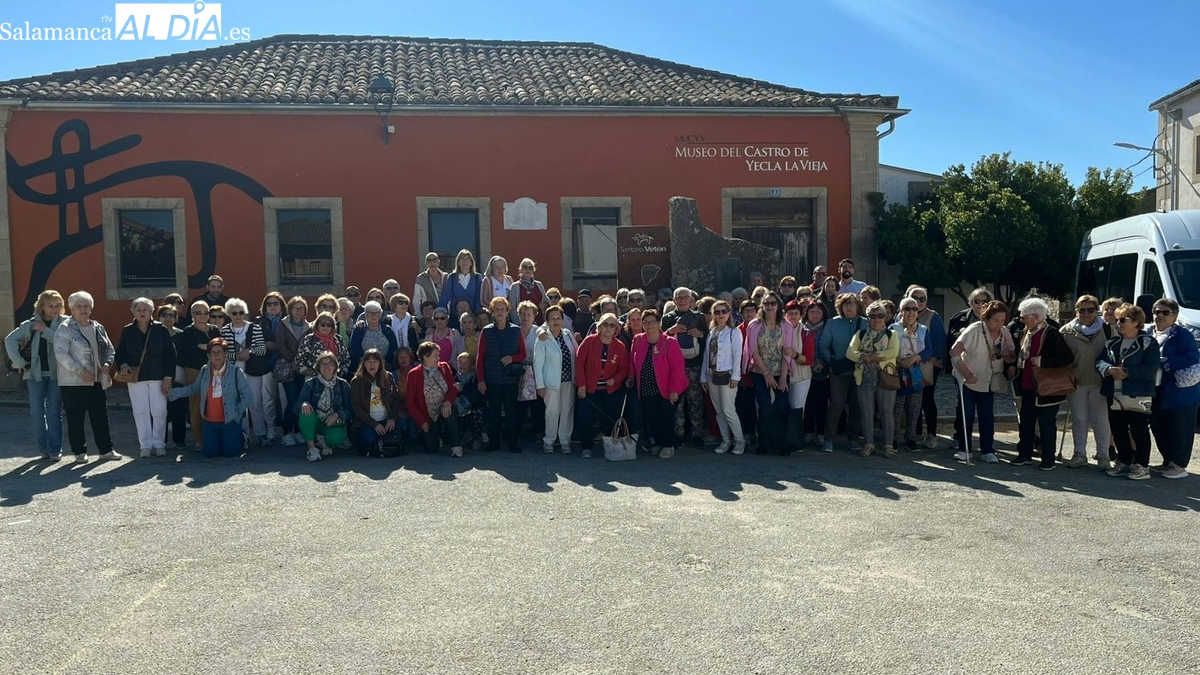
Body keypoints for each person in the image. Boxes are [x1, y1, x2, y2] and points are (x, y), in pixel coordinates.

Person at [54, 291, 120, 462]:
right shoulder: (65, 328)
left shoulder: (98, 327)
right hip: (74, 382)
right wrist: (80, 371)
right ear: (72, 309)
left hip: (97, 381)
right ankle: (79, 452)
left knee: (100, 417)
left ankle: (106, 450)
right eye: (79, 306)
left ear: (91, 308)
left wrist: (107, 364)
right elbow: (61, 355)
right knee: (75, 419)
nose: (83, 309)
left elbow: (109, 349)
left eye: (86, 306)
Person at [1097, 304, 1161, 480]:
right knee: (1118, 429)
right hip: (1114, 394)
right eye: (1117, 320)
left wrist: (1127, 373)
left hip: (1138, 394)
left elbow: (1151, 367)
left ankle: (1142, 465)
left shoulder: (1148, 342)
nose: (1118, 323)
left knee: (1139, 430)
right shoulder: (1112, 342)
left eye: (1122, 319)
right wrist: (1109, 369)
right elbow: (1099, 362)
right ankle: (1123, 461)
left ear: (1136, 322)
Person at [1011, 297, 1074, 469]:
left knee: (1046, 424)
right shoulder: (1026, 332)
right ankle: (1025, 455)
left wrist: (1044, 361)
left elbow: (1067, 358)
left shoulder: (1052, 333)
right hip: (1027, 386)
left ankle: (1048, 459)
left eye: (1024, 316)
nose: (1021, 319)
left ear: (1037, 317)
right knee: (1026, 422)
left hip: (1046, 390)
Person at [949, 300, 1015, 463]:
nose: (999, 324)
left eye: (1002, 320)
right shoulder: (974, 329)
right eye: (996, 320)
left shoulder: (1004, 332)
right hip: (967, 380)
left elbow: (1012, 355)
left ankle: (987, 450)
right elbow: (954, 352)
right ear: (986, 318)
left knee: (987, 416)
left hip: (988, 381)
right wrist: (967, 374)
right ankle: (964, 449)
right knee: (967, 415)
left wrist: (1007, 355)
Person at [5, 290, 66, 460]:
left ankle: (55, 449)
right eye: (50, 305)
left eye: (57, 305)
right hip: (34, 374)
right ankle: (43, 447)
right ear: (42, 307)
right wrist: (20, 363)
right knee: (36, 412)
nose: (54, 309)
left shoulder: (66, 323)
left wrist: (45, 330)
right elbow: (9, 340)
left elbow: (65, 343)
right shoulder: (30, 324)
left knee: (54, 412)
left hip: (57, 374)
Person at [168, 337, 252, 457]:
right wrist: (172, 393)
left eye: (219, 352)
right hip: (209, 422)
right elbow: (194, 388)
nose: (216, 355)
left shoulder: (236, 372)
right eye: (213, 352)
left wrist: (237, 414)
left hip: (230, 421)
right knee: (210, 453)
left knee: (230, 453)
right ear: (208, 356)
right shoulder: (204, 371)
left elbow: (247, 396)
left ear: (225, 355)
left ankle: (242, 437)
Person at [116, 297, 176, 458]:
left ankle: (159, 444)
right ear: (133, 312)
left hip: (158, 376)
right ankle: (145, 445)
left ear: (151, 312)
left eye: (145, 309)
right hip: (136, 377)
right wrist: (123, 365)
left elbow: (170, 355)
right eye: (139, 309)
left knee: (159, 410)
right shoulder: (128, 330)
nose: (142, 312)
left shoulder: (161, 330)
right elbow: (120, 352)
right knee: (140, 411)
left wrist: (168, 377)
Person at [1060, 294, 1115, 469]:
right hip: (1077, 382)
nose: (1086, 313)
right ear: (1076, 311)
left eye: (1090, 309)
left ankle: (1103, 456)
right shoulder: (1066, 331)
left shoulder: (1108, 330)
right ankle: (1079, 454)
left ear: (1096, 311)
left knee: (1100, 420)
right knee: (1079, 419)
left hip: (1100, 381)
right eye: (1082, 310)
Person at [1148, 298, 1200, 479]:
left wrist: (1166, 362)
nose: (1159, 316)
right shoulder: (1148, 333)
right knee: (1159, 425)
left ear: (1175, 316)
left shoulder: (1182, 335)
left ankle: (1178, 465)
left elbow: (1192, 358)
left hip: (1180, 391)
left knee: (1180, 427)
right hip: (1156, 389)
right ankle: (1168, 461)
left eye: (1165, 312)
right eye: (1156, 311)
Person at [630, 309, 687, 458]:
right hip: (647, 387)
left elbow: (678, 368)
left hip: (667, 387)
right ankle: (658, 443)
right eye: (646, 322)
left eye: (652, 322)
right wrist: (630, 377)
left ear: (659, 323)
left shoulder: (670, 342)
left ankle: (668, 445)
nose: (649, 325)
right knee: (651, 417)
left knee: (666, 416)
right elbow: (632, 361)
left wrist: (674, 390)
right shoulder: (637, 340)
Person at [847, 301, 900, 458]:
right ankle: (869, 444)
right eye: (873, 316)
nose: (876, 319)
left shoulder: (892, 334)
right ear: (867, 317)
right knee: (867, 413)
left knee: (887, 413)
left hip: (885, 378)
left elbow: (893, 352)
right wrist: (865, 357)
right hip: (865, 378)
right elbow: (850, 353)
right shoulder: (861, 334)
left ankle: (889, 445)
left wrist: (869, 357)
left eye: (880, 316)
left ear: (885, 317)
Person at [575, 313, 630, 459]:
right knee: (585, 418)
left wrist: (615, 380)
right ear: (599, 327)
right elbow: (579, 363)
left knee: (609, 418)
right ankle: (587, 447)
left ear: (616, 330)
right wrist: (582, 385)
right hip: (589, 389)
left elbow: (624, 368)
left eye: (612, 325)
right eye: (605, 324)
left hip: (610, 390)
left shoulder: (620, 346)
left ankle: (609, 446)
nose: (608, 328)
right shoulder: (589, 341)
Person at [476, 296, 526, 453]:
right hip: (493, 379)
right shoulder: (486, 331)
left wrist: (512, 358)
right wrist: (481, 380)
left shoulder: (516, 330)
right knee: (494, 413)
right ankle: (494, 443)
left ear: (507, 311)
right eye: (496, 309)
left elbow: (523, 354)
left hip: (511, 378)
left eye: (502, 309)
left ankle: (513, 443)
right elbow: (480, 357)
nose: (499, 312)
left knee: (511, 412)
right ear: (492, 312)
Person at [744, 292, 793, 454]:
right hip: (760, 371)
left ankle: (783, 443)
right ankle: (763, 443)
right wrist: (766, 373)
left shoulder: (786, 326)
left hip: (781, 371)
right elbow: (753, 351)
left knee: (782, 406)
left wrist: (784, 377)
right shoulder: (755, 325)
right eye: (766, 303)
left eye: (773, 303)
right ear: (762, 306)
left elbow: (787, 352)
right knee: (765, 407)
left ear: (778, 305)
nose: (770, 306)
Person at [662, 287, 710, 448]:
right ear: (674, 301)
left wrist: (701, 335)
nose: (682, 300)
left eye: (685, 297)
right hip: (675, 368)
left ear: (691, 301)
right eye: (679, 297)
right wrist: (670, 331)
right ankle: (679, 434)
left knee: (695, 401)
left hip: (694, 366)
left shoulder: (700, 318)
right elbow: (661, 340)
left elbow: (708, 342)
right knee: (678, 402)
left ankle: (697, 433)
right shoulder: (668, 318)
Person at [819, 293, 867, 453]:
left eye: (852, 303)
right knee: (837, 405)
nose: (848, 306)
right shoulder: (833, 323)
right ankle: (828, 438)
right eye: (845, 304)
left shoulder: (865, 323)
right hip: (839, 371)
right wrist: (831, 361)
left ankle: (853, 438)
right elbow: (823, 345)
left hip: (859, 371)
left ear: (857, 305)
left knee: (856, 405)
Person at [221, 298, 271, 448]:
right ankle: (243, 436)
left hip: (253, 369)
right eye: (234, 312)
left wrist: (250, 351)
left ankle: (261, 434)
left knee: (255, 401)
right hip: (234, 371)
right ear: (229, 314)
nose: (238, 315)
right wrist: (236, 356)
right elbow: (222, 354)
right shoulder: (224, 331)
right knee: (238, 403)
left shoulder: (255, 328)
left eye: (241, 312)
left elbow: (263, 349)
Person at [947, 287, 992, 447]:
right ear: (970, 303)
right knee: (963, 406)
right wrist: (962, 334)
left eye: (984, 301)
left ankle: (986, 445)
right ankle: (961, 438)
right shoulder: (960, 317)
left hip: (986, 370)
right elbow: (951, 341)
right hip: (963, 368)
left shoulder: (994, 318)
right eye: (976, 301)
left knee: (986, 409)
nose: (980, 305)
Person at [175, 301, 221, 449]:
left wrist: (206, 347)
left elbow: (220, 347)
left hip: (216, 369)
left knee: (216, 402)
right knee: (196, 403)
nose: (203, 316)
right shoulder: (188, 331)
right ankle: (199, 439)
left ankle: (214, 437)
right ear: (192, 315)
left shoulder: (214, 329)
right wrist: (211, 347)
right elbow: (196, 350)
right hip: (194, 370)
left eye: (206, 313)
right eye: (198, 313)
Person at [701, 299, 744, 454]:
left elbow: (738, 355)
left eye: (723, 312)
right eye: (717, 312)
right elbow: (707, 355)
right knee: (719, 411)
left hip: (727, 375)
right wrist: (703, 378)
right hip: (712, 375)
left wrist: (736, 376)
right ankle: (726, 440)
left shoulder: (734, 332)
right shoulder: (712, 332)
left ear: (729, 314)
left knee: (728, 410)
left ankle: (739, 440)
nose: (720, 315)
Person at [533, 304, 578, 453]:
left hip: (568, 381)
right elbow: (537, 363)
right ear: (546, 321)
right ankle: (549, 440)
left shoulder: (567, 334)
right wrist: (539, 385)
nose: (556, 321)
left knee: (567, 411)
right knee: (552, 412)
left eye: (559, 318)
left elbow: (576, 354)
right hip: (551, 382)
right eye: (552, 318)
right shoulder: (542, 338)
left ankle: (565, 440)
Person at [407, 341, 464, 457]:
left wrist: (447, 402)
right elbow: (411, 403)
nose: (438, 358)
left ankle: (456, 446)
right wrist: (422, 422)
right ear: (425, 357)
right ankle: (437, 437)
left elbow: (453, 388)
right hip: (427, 415)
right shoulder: (413, 374)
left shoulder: (444, 367)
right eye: (435, 356)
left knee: (449, 412)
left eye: (438, 355)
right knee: (431, 449)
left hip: (444, 409)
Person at [905, 286, 946, 450]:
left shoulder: (933, 317)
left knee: (927, 399)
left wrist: (934, 360)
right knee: (911, 400)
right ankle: (915, 432)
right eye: (915, 297)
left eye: (923, 299)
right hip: (907, 365)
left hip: (928, 365)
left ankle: (931, 433)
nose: (919, 302)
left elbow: (939, 341)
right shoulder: (901, 315)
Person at [891, 297, 932, 452]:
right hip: (898, 372)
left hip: (916, 373)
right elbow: (888, 348)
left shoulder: (923, 329)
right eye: (907, 309)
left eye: (914, 309)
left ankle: (910, 437)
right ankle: (893, 438)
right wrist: (900, 360)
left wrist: (915, 358)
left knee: (914, 408)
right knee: (896, 407)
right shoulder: (893, 329)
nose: (911, 312)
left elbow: (928, 350)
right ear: (901, 311)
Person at [295, 351, 353, 462]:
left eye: (330, 363)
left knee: (335, 439)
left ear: (335, 366)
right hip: (315, 421)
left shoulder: (343, 384)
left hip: (331, 422)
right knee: (305, 411)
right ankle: (312, 448)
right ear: (318, 367)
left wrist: (338, 414)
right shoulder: (310, 383)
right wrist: (304, 403)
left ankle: (325, 443)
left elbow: (351, 409)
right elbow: (296, 407)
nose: (326, 367)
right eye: (323, 364)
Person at [350, 348, 406, 455]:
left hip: (386, 418)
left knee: (403, 427)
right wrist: (374, 424)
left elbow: (396, 399)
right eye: (369, 361)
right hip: (368, 421)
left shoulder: (388, 377)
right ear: (364, 364)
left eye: (375, 361)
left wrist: (392, 418)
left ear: (380, 364)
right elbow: (357, 407)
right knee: (370, 439)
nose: (372, 364)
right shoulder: (357, 381)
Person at [275, 296, 310, 447]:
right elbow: (280, 345)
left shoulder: (309, 326)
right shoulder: (283, 324)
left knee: (302, 400)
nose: (298, 311)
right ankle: (286, 432)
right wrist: (293, 361)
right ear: (290, 309)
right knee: (292, 400)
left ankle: (298, 430)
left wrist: (301, 363)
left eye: (301, 308)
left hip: (303, 369)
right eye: (295, 308)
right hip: (288, 369)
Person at [157, 303, 188, 450]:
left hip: (179, 377)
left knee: (179, 410)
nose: (168, 318)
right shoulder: (153, 334)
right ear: (158, 317)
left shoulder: (182, 335)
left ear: (176, 318)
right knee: (161, 410)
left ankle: (179, 440)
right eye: (164, 315)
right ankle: (160, 441)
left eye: (171, 315)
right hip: (157, 377)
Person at [782, 299, 812, 452]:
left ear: (801, 315)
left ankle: (796, 441)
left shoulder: (805, 333)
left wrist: (795, 355)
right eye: (790, 313)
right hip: (781, 375)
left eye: (796, 313)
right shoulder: (779, 330)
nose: (792, 316)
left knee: (797, 409)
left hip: (801, 376)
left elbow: (809, 359)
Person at [255, 292, 285, 442]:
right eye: (269, 304)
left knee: (284, 399)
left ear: (281, 306)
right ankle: (271, 429)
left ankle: (287, 430)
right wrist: (264, 344)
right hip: (266, 363)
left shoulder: (287, 321)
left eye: (276, 303)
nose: (272, 306)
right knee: (268, 398)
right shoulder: (258, 322)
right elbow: (252, 344)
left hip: (284, 364)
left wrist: (279, 347)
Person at [801, 300, 830, 448]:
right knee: (807, 403)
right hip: (804, 370)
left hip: (823, 372)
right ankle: (807, 432)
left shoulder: (827, 328)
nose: (815, 314)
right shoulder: (801, 328)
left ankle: (820, 433)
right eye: (812, 311)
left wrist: (824, 362)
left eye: (818, 311)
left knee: (821, 404)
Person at [295, 311, 351, 380]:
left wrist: (341, 372)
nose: (326, 327)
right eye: (322, 324)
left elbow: (346, 358)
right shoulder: (310, 339)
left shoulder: (338, 339)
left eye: (329, 325)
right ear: (317, 325)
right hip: (313, 379)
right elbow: (299, 359)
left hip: (335, 379)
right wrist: (308, 373)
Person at [349, 300, 398, 373]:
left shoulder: (387, 330)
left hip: (385, 368)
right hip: (364, 369)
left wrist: (385, 361)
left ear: (380, 314)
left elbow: (393, 347)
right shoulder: (359, 329)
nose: (373, 315)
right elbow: (355, 348)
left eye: (376, 313)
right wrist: (367, 362)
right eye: (370, 313)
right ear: (365, 314)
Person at [452, 351, 484, 450]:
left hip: (474, 406)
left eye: (465, 363)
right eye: (460, 362)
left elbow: (476, 397)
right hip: (459, 408)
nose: (462, 365)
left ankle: (477, 438)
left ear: (471, 365)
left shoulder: (476, 378)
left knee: (476, 413)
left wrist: (462, 392)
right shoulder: (454, 378)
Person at [440, 249, 483, 316]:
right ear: (458, 262)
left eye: (467, 259)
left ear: (471, 262)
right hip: (455, 316)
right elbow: (445, 297)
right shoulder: (452, 277)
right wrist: (441, 313)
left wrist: (478, 314)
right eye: (462, 259)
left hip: (472, 316)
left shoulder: (477, 277)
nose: (464, 261)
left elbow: (478, 298)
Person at [508, 258, 547, 323]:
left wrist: (545, 305)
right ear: (520, 270)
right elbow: (512, 309)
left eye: (530, 268)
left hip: (539, 322)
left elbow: (547, 301)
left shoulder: (539, 284)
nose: (528, 270)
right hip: (523, 323)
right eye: (525, 267)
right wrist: (518, 325)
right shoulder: (515, 287)